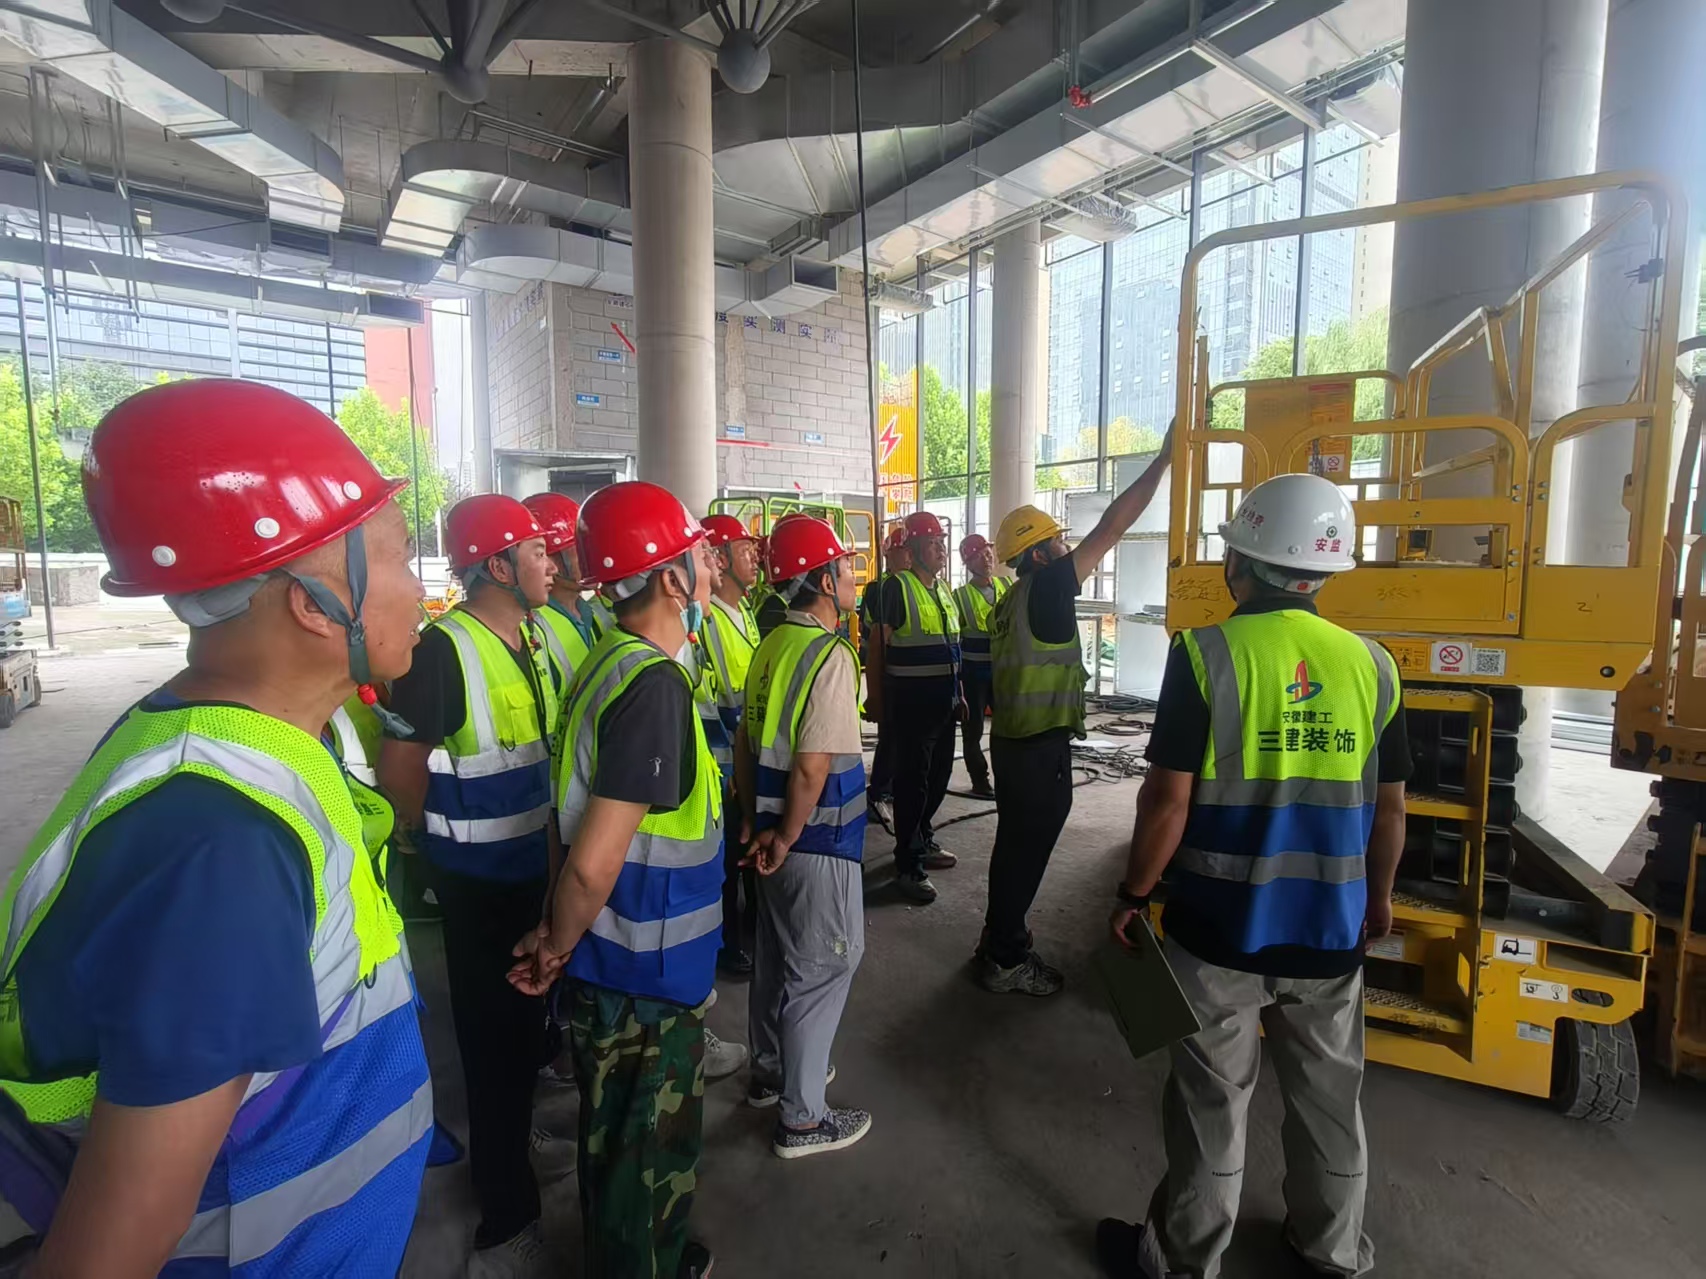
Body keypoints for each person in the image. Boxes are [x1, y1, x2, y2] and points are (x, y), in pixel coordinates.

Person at [0, 380, 429, 1276]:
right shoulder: (218, 844)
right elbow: (106, 1253)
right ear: (314, 602)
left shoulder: (260, 743)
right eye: (398, 557)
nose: (422, 591)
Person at [1099, 472, 1409, 1279]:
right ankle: (1331, 1250)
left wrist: (1133, 895)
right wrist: (1377, 897)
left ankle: (1185, 1260)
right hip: (1331, 931)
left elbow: (1166, 801)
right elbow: (1391, 809)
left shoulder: (1204, 654)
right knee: (1331, 1101)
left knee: (1212, 1104)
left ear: (1242, 561)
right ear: (1324, 570)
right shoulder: (1374, 666)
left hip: (1219, 930)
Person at [508, 480, 722, 1279]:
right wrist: (555, 944)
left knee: (619, 1142)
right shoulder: (652, 684)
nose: (709, 570)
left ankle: (649, 1247)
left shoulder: (607, 660)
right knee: (642, 1150)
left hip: (620, 962)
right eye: (699, 557)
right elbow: (596, 858)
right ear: (671, 579)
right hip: (642, 975)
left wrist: (552, 926)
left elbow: (564, 822)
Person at [379, 493, 569, 1277]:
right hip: (479, 887)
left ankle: (515, 1140)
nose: (551, 562)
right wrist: (435, 851)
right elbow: (399, 772)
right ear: (497, 566)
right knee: (493, 1050)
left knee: (522, 1036)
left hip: (533, 875)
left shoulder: (530, 638)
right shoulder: (443, 652)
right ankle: (504, 1224)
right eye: (536, 551)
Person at [977, 428, 1173, 994]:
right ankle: (1005, 958)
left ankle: (998, 939)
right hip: (1037, 749)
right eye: (1058, 543)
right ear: (1039, 555)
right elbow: (1112, 527)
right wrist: (1162, 462)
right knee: (1026, 853)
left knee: (1013, 848)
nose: (1069, 549)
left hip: (1014, 744)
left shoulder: (1011, 601)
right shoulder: (1046, 588)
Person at [734, 517, 872, 1159]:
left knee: (777, 956)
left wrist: (755, 821)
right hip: (816, 840)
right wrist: (788, 835)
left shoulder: (771, 645)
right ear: (821, 581)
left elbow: (744, 741)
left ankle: (769, 1072)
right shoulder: (830, 655)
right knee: (825, 965)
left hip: (770, 834)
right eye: (844, 568)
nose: (852, 577)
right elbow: (814, 766)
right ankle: (803, 1119)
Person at [867, 511, 962, 902]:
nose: (940, 549)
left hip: (945, 706)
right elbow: (877, 646)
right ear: (914, 549)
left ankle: (923, 836)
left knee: (938, 779)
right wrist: (875, 698)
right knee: (912, 785)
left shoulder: (943, 591)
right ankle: (909, 864)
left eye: (942, 542)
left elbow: (952, 649)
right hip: (911, 707)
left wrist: (960, 695)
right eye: (932, 543)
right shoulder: (897, 587)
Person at [702, 513, 764, 978]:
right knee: (726, 859)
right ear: (720, 559)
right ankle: (727, 943)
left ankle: (751, 928)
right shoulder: (712, 622)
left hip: (750, 758)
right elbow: (721, 702)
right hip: (726, 763)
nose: (756, 557)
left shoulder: (745, 613)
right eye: (745, 550)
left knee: (747, 851)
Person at [860, 526, 910, 833]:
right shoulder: (882, 589)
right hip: (889, 672)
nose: (908, 556)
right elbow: (876, 637)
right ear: (889, 554)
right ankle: (879, 791)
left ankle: (890, 787)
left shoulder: (921, 587)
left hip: (910, 679)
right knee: (890, 739)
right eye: (903, 550)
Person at [952, 533, 1006, 800]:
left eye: (988, 553)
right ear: (968, 563)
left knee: (1007, 727)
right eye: (979, 556)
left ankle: (1008, 777)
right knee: (972, 730)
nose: (987, 559)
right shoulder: (960, 597)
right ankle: (980, 780)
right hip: (974, 675)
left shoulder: (1006, 586)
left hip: (1004, 670)